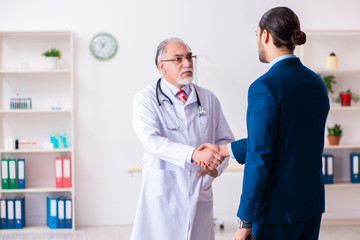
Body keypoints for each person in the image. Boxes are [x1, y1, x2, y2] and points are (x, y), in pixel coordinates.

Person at [201, 6, 329, 240]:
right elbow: (286, 138)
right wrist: (224, 149)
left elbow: (261, 156)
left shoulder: (264, 87)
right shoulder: (316, 83)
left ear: (266, 35)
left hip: (276, 212)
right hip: (310, 205)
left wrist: (245, 220)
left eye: (257, 35)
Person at [131, 37, 234, 240]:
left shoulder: (208, 98)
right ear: (162, 66)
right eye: (178, 59)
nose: (187, 63)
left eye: (189, 57)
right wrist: (193, 154)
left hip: (199, 190)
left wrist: (215, 170)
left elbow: (226, 141)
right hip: (163, 191)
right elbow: (151, 141)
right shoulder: (146, 99)